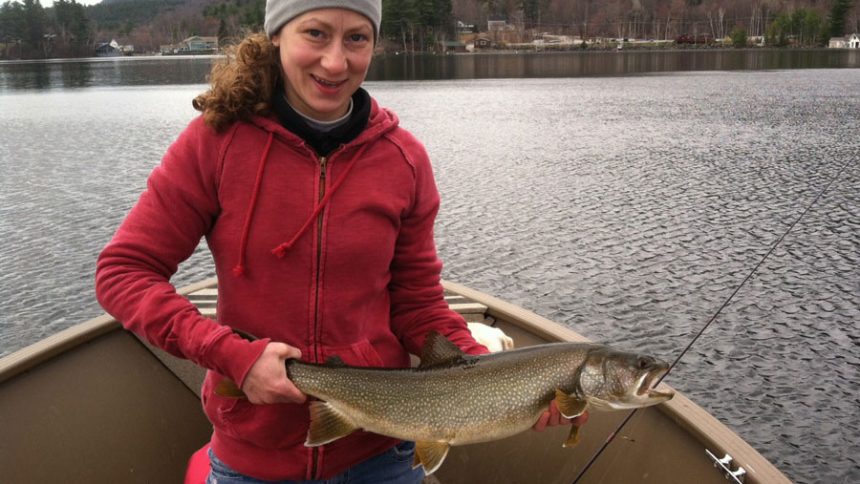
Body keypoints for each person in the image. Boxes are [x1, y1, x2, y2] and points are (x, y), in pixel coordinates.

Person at [95, 1, 585, 482]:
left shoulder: (404, 159)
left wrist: (488, 378)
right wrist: (230, 356)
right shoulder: (214, 143)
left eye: (357, 38)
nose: (336, 62)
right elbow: (123, 274)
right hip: (254, 457)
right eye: (315, 33)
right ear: (276, 36)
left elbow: (417, 304)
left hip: (382, 454)